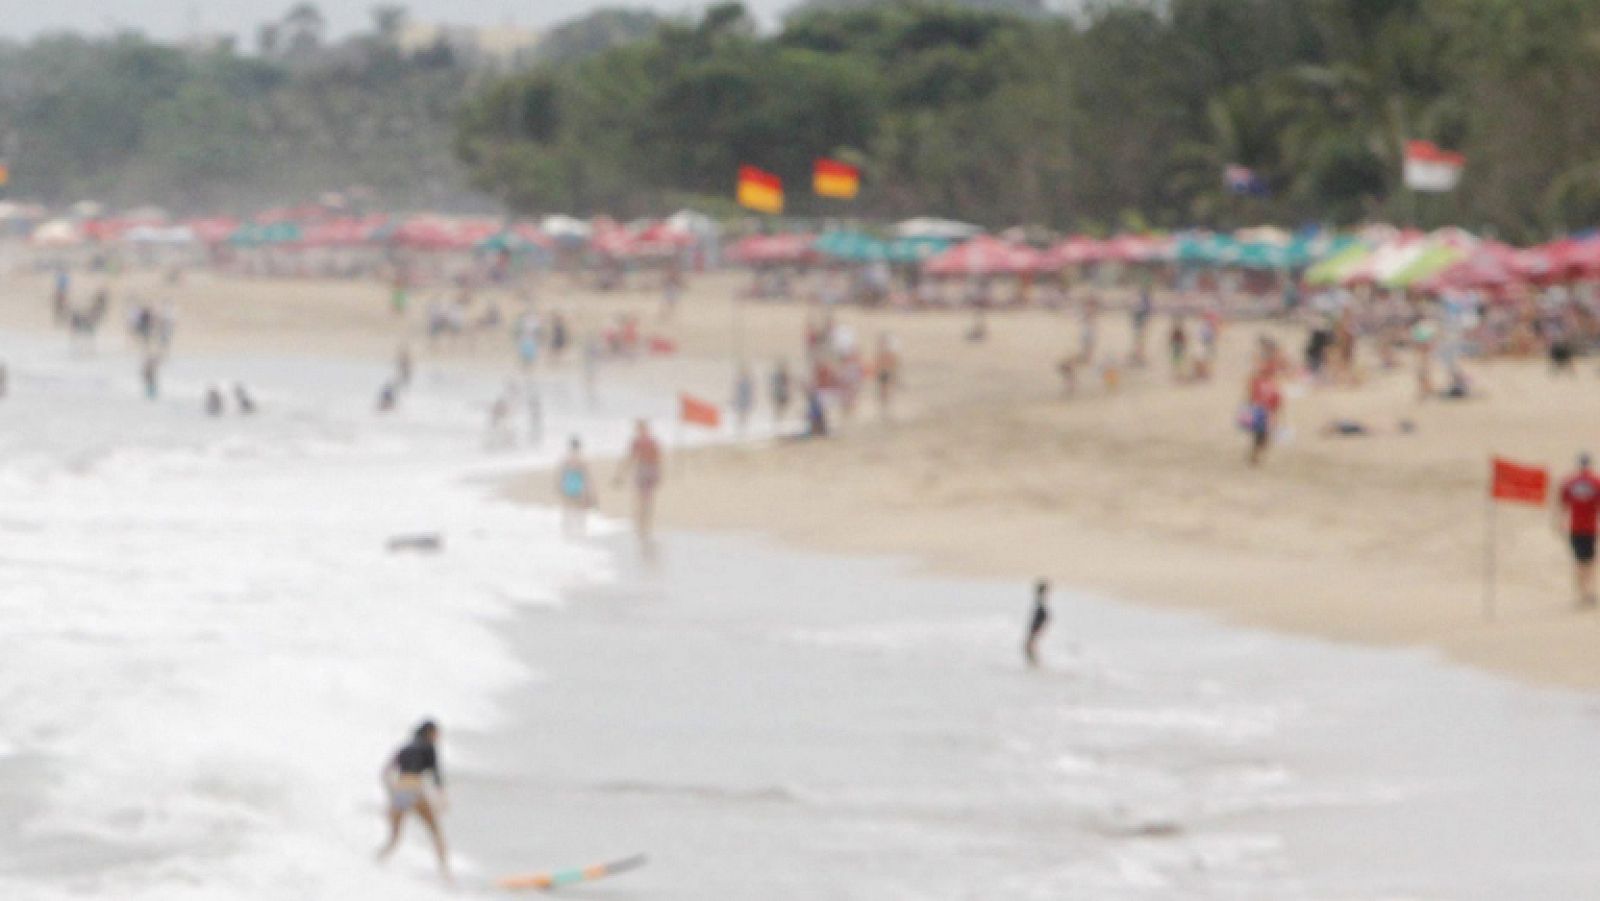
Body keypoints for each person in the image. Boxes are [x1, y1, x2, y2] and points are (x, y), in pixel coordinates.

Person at [376, 720, 451, 883]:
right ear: (430, 733)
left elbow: (385, 773)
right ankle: (446, 876)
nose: (438, 737)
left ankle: (374, 864)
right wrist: (442, 797)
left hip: (400, 790)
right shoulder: (429, 747)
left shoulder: (404, 748)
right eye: (437, 733)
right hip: (415, 788)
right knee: (435, 832)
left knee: (394, 838)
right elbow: (436, 774)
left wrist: (392, 794)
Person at [1557, 454, 1600, 609]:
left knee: (1579, 561)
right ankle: (1589, 592)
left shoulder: (1570, 482)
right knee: (1590, 562)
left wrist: (1560, 522)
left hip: (1575, 528)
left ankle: (1582, 593)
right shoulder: (1596, 482)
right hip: (1590, 528)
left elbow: (1563, 504)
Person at [614, 420, 663, 542]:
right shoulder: (645, 442)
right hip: (645, 469)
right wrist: (621, 473)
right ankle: (642, 522)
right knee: (643, 497)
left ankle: (643, 522)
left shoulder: (648, 442)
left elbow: (656, 459)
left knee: (645, 497)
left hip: (646, 469)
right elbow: (631, 458)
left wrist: (621, 473)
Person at [557, 437, 595, 536]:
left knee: (568, 512)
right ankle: (579, 533)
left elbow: (562, 475)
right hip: (579, 488)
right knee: (580, 513)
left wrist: (560, 486)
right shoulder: (582, 460)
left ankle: (567, 533)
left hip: (568, 487)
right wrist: (589, 491)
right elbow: (587, 477)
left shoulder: (566, 459)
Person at [1024, 579, 1050, 666]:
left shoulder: (1039, 605)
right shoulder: (1040, 605)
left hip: (1033, 635)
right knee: (1033, 659)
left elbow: (1039, 621)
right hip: (1033, 635)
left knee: (1031, 657)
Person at [732, 364, 756, 434]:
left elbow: (751, 392)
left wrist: (751, 400)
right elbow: (736, 392)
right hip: (741, 400)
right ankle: (740, 429)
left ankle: (743, 429)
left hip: (745, 400)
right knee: (740, 415)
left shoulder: (748, 381)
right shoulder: (740, 381)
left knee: (744, 415)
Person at [770, 359, 793, 425]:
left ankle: (780, 419)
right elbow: (774, 385)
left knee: (782, 406)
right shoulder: (777, 376)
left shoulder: (785, 375)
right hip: (779, 393)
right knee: (779, 406)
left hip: (783, 393)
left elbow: (788, 384)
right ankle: (778, 420)